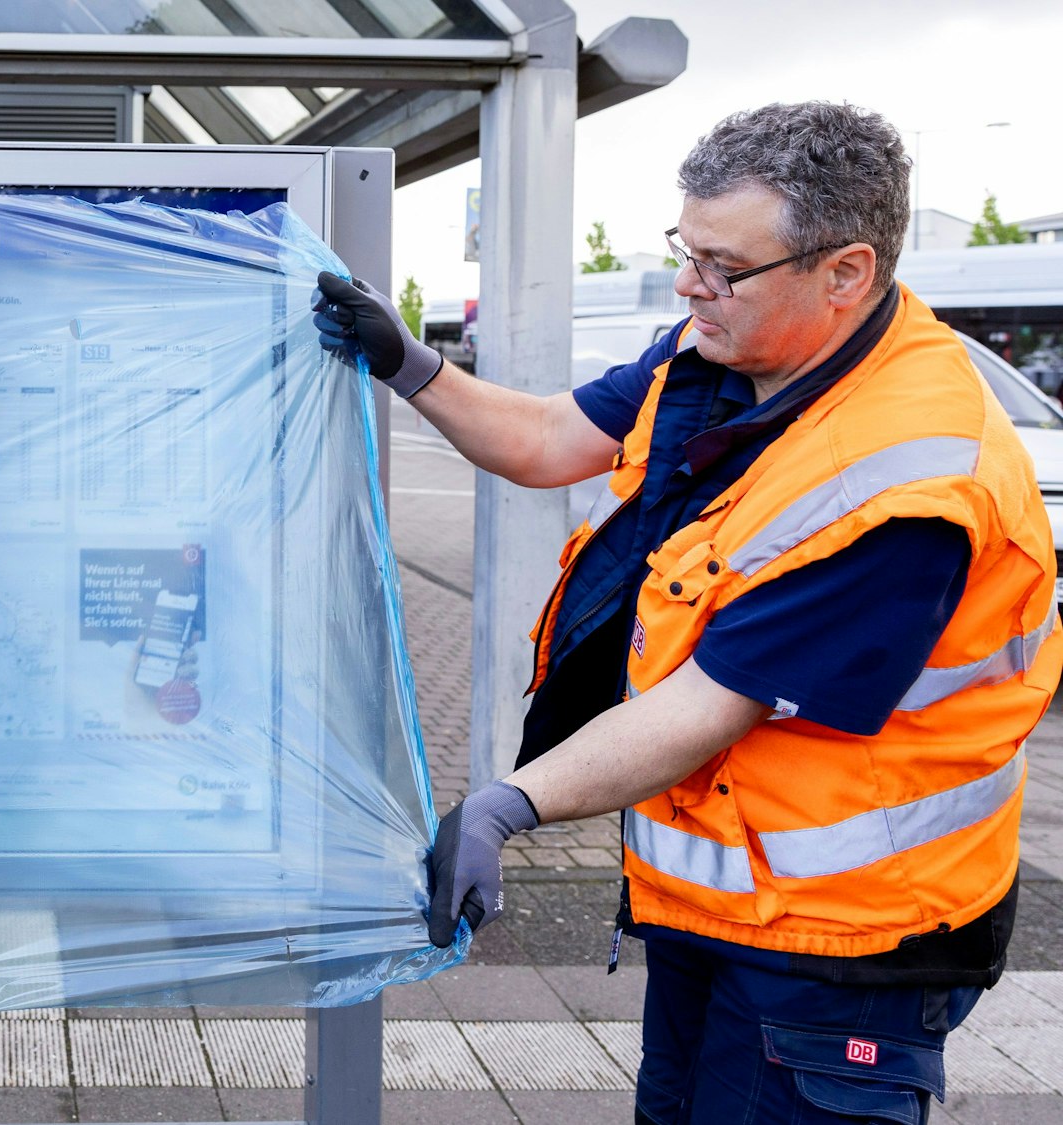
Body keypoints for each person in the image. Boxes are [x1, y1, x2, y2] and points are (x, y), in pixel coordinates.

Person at [316, 102, 1058, 1123]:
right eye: (684, 248)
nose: (686, 283)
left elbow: (707, 705)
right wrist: (411, 366)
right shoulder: (722, 359)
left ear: (841, 273)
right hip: (726, 907)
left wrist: (508, 804)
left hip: (845, 943)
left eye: (722, 264)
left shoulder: (903, 486)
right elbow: (544, 441)